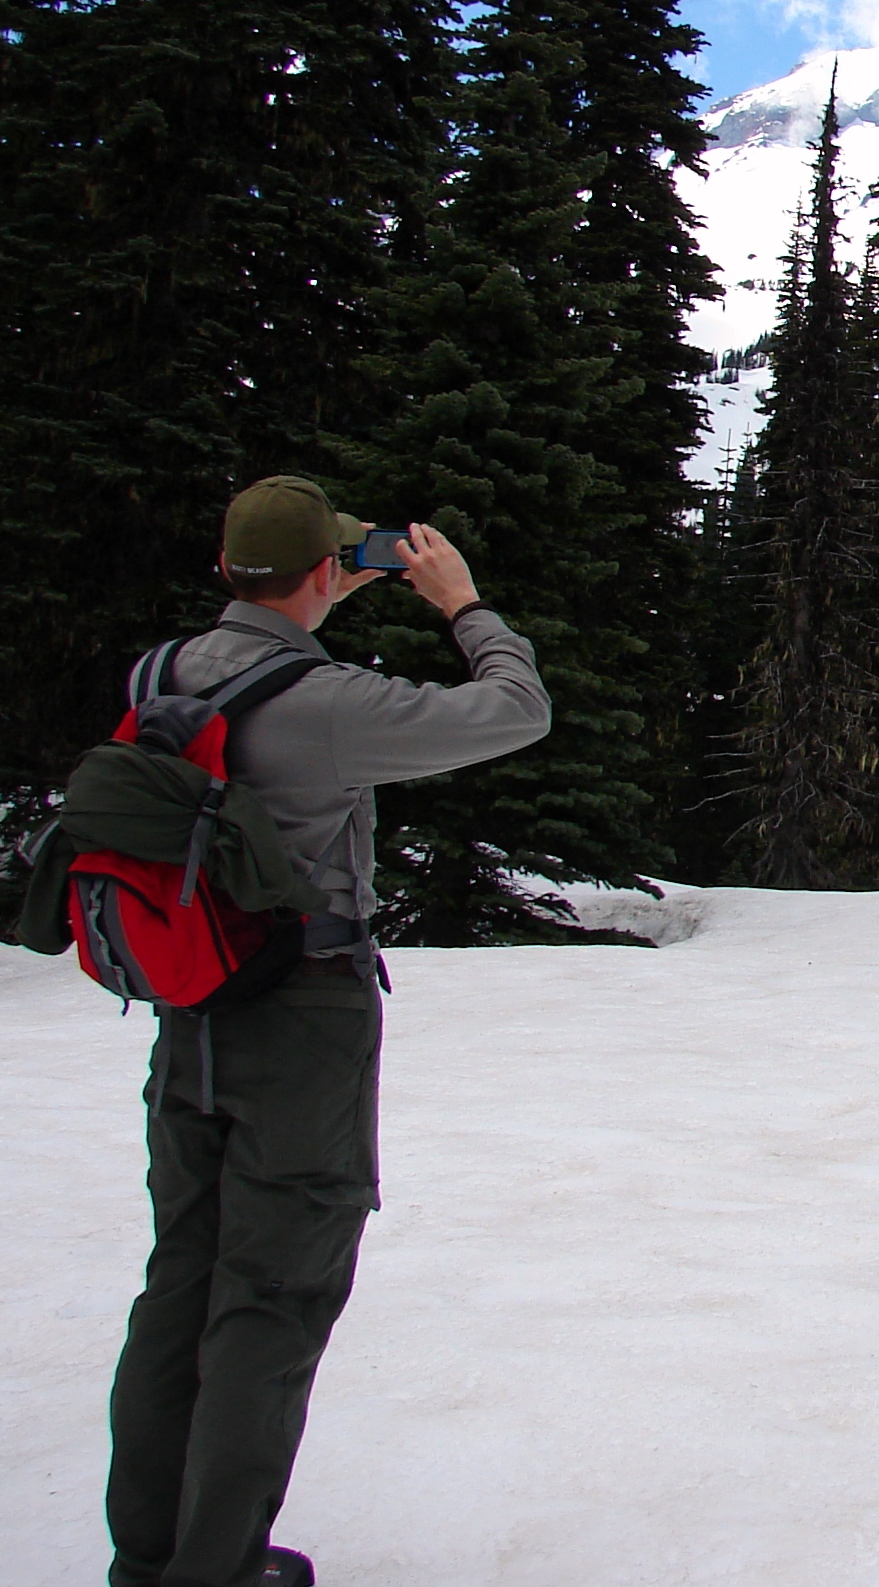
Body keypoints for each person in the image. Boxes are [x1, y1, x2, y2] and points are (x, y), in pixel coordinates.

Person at [105, 474, 551, 1587]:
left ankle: (149, 1556)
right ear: (319, 573)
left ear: (225, 571)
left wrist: (311, 598)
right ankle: (219, 1568)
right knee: (274, 1291)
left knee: (181, 1283)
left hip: (191, 1010)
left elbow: (257, 665)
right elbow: (512, 711)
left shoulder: (161, 674)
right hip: (301, 1018)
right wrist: (461, 605)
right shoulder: (324, 702)